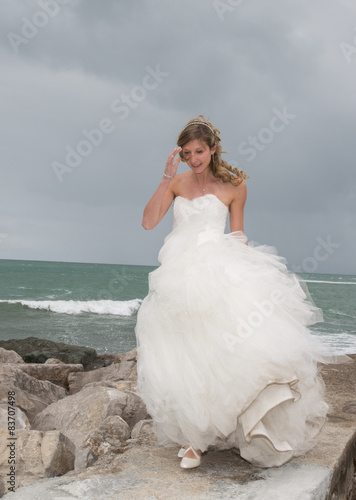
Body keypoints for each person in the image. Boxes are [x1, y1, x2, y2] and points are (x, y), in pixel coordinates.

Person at [135, 115, 332, 470]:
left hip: (216, 268)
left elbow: (238, 235)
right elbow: (149, 222)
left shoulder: (235, 186)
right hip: (177, 275)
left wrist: (242, 276)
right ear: (180, 154)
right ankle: (194, 436)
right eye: (187, 152)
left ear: (212, 149)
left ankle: (203, 439)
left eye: (199, 150)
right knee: (183, 353)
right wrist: (165, 176)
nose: (194, 158)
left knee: (220, 351)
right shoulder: (177, 183)